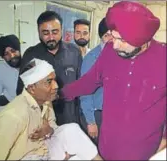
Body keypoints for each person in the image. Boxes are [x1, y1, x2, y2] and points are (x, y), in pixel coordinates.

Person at [60, 1, 166, 160]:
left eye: (121, 40)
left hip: (146, 152)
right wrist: (59, 93)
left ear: (141, 40)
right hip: (107, 149)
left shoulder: (163, 58)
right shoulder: (109, 51)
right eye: (112, 37)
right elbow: (88, 82)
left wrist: (165, 139)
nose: (114, 45)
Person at [0, 58, 102, 160]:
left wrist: (48, 130)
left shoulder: (45, 100)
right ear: (32, 88)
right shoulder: (13, 116)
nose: (56, 86)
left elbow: (52, 127)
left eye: (54, 80)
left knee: (71, 130)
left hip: (45, 148)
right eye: (49, 82)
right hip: (28, 156)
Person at [16, 11, 82, 125]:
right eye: (45, 33)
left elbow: (82, 84)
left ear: (61, 30)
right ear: (39, 33)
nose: (51, 37)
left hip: (69, 116)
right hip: (42, 118)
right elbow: (22, 90)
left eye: (55, 32)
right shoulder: (31, 55)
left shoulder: (74, 52)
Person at [80, 17, 112, 145]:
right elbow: (85, 92)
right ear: (101, 37)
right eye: (106, 35)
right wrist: (91, 122)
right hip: (97, 115)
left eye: (113, 35)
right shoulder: (91, 59)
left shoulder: (121, 55)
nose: (110, 39)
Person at [0, 35, 21, 107]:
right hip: (17, 111)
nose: (11, 55)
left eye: (13, 51)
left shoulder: (31, 62)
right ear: (3, 57)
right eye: (6, 54)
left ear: (19, 49)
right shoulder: (0, 70)